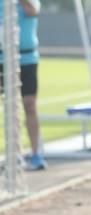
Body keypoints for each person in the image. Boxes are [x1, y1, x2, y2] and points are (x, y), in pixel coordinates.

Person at [0, 0, 46, 170]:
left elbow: (32, 10)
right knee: (9, 107)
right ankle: (14, 155)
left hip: (27, 58)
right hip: (3, 59)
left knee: (29, 105)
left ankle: (36, 153)